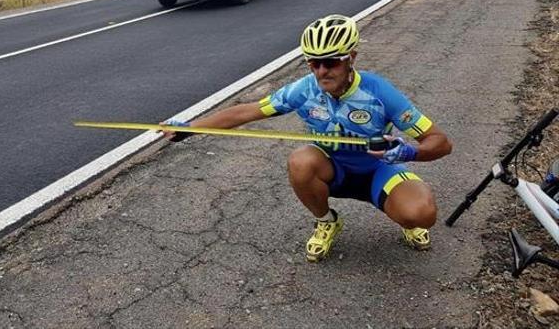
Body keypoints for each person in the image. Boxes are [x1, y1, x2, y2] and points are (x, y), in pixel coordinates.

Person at [163, 14, 452, 262]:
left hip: (378, 170)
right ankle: (327, 222)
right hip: (332, 171)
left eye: (330, 63)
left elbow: (439, 141)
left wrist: (408, 153)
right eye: (313, 64)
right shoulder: (304, 90)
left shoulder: (379, 92)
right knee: (301, 160)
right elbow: (246, 113)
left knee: (421, 213)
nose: (321, 72)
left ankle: (403, 215)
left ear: (351, 58)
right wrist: (190, 128)